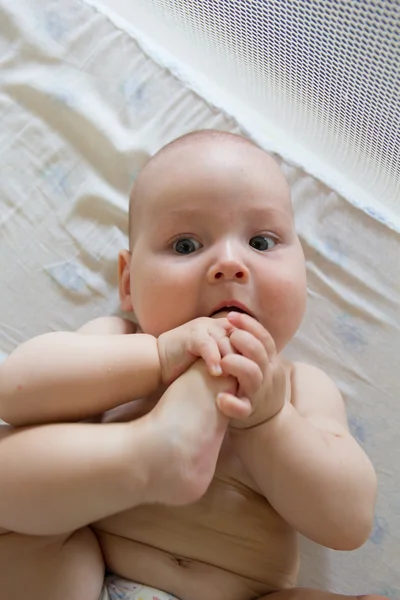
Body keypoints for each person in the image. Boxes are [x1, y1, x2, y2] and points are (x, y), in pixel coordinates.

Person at [0, 130, 385, 600]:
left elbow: (347, 523)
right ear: (128, 282)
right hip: (74, 577)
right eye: (185, 245)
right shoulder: (120, 340)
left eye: (261, 242)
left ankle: (154, 455)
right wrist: (157, 359)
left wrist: (270, 420)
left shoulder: (301, 389)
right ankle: (145, 456)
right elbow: (14, 391)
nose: (229, 264)